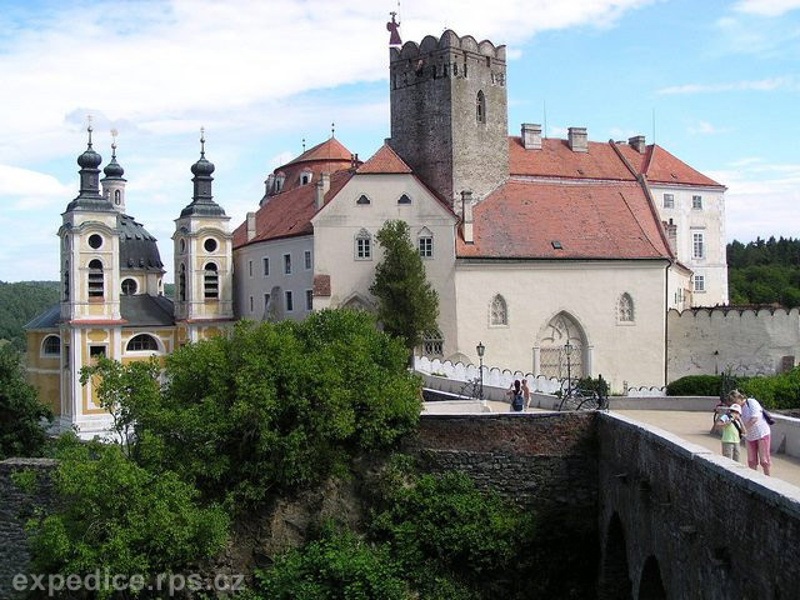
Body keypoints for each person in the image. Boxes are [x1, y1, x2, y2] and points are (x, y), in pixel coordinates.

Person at [729, 390, 771, 476]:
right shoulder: (736, 408)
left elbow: (754, 418)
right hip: (749, 436)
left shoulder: (751, 402)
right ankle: (754, 478)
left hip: (761, 434)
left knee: (764, 460)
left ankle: (768, 479)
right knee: (751, 461)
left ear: (739, 398)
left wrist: (743, 429)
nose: (734, 404)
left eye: (734, 401)